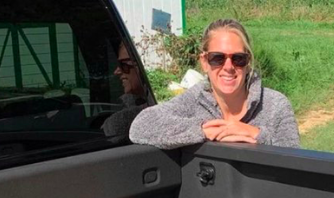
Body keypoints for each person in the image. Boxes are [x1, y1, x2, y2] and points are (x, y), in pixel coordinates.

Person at [129, 19, 300, 149]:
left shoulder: (275, 105)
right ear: (204, 62)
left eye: (238, 58)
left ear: (248, 63)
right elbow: (141, 126)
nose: (228, 67)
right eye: (217, 58)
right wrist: (202, 129)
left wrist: (258, 135)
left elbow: (295, 164)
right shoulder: (194, 100)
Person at [102, 42, 149, 137]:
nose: (116, 71)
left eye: (123, 64)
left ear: (142, 66)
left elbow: (112, 130)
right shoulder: (126, 102)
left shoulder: (159, 108)